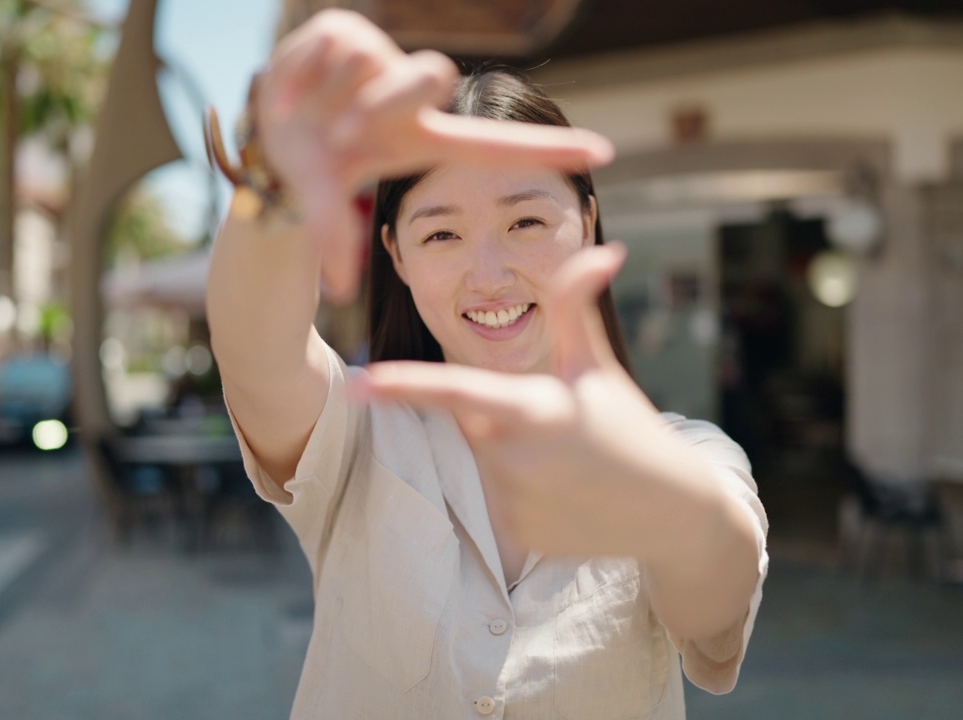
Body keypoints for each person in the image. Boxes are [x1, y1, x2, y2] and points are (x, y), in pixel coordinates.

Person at [207, 10, 767, 718]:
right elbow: (257, 353)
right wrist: (274, 178)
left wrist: (666, 509)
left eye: (525, 221)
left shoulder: (684, 453)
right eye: (441, 232)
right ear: (397, 254)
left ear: (588, 223)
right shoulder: (356, 437)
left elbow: (717, 597)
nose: (489, 273)